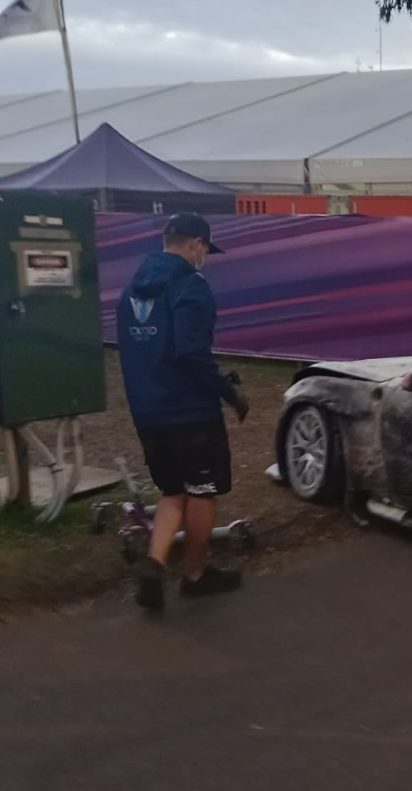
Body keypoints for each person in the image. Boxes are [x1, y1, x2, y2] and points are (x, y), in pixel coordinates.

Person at [117, 213, 250, 610]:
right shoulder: (190, 285)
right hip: (190, 413)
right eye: (205, 248)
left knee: (172, 490)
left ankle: (155, 564)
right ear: (195, 244)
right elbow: (190, 351)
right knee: (202, 492)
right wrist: (229, 392)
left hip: (148, 411)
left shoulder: (132, 291)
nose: (204, 256)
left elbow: (143, 354)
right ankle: (194, 575)